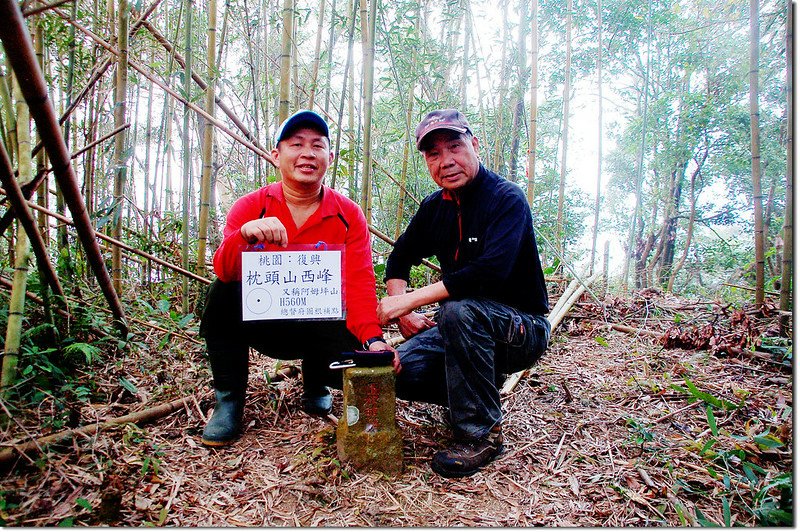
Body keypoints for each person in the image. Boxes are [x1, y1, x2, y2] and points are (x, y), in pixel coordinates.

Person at [199, 109, 397, 447]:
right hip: (263, 322)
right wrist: (244, 235)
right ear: (277, 155)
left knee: (344, 330)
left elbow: (361, 284)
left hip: (322, 327)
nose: (307, 153)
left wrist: (373, 339)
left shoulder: (348, 214)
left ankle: (316, 381)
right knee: (221, 295)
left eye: (317, 145)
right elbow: (225, 270)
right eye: (296, 144)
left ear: (329, 157)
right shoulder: (251, 206)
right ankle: (229, 400)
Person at [377, 109, 551, 478]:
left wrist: (409, 301)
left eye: (454, 147)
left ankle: (480, 434)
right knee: (391, 370)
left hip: (521, 329)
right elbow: (400, 257)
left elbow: (488, 272)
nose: (447, 162)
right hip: (460, 329)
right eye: (434, 154)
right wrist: (403, 309)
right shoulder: (434, 208)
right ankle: (474, 389)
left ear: (474, 144)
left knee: (458, 310)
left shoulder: (506, 199)